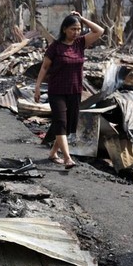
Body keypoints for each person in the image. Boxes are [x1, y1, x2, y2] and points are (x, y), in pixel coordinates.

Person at [33, 11, 104, 169]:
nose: (76, 32)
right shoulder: (55, 47)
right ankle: (67, 158)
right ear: (64, 29)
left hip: (75, 90)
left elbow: (100, 31)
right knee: (61, 122)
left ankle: (53, 153)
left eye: (78, 29)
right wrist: (37, 87)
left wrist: (82, 18)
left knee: (69, 125)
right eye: (73, 29)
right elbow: (44, 67)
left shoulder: (80, 43)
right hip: (57, 90)